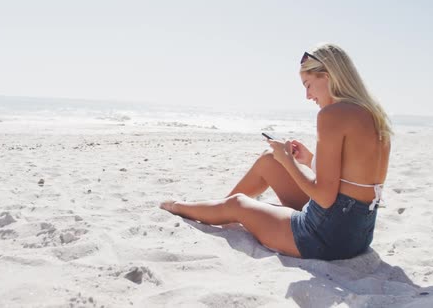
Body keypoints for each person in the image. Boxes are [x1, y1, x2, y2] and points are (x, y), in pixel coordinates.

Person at [160, 43, 392, 260]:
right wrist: (308, 159)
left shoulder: (333, 114)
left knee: (238, 204)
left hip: (324, 238)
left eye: (308, 85)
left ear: (327, 76)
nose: (308, 96)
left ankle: (178, 206)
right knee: (270, 160)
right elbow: (355, 177)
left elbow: (324, 196)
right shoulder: (371, 113)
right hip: (357, 234)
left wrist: (289, 161)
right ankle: (219, 209)